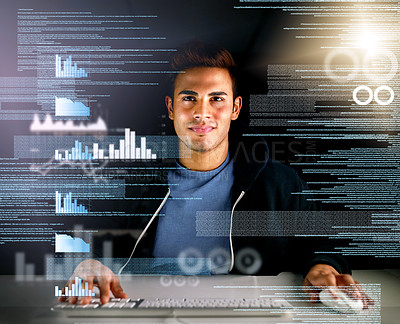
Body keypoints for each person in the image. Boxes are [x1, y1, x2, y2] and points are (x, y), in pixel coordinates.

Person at [59, 42, 374, 308]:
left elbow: (321, 241)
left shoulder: (277, 182)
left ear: (235, 108)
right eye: (189, 98)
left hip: (243, 312)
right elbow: (81, 233)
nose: (201, 113)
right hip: (139, 307)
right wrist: (84, 262)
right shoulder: (128, 179)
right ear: (171, 107)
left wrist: (323, 266)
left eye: (216, 99)